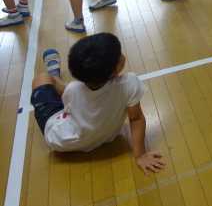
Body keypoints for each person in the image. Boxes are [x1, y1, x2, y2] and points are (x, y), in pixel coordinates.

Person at [30, 33, 165, 175]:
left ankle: (54, 76)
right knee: (64, 90)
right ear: (115, 70)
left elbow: (67, 108)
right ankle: (55, 78)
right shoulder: (130, 83)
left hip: (61, 140)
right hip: (107, 137)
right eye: (119, 55)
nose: (123, 56)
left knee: (42, 78)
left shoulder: (73, 89)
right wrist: (140, 155)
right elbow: (136, 119)